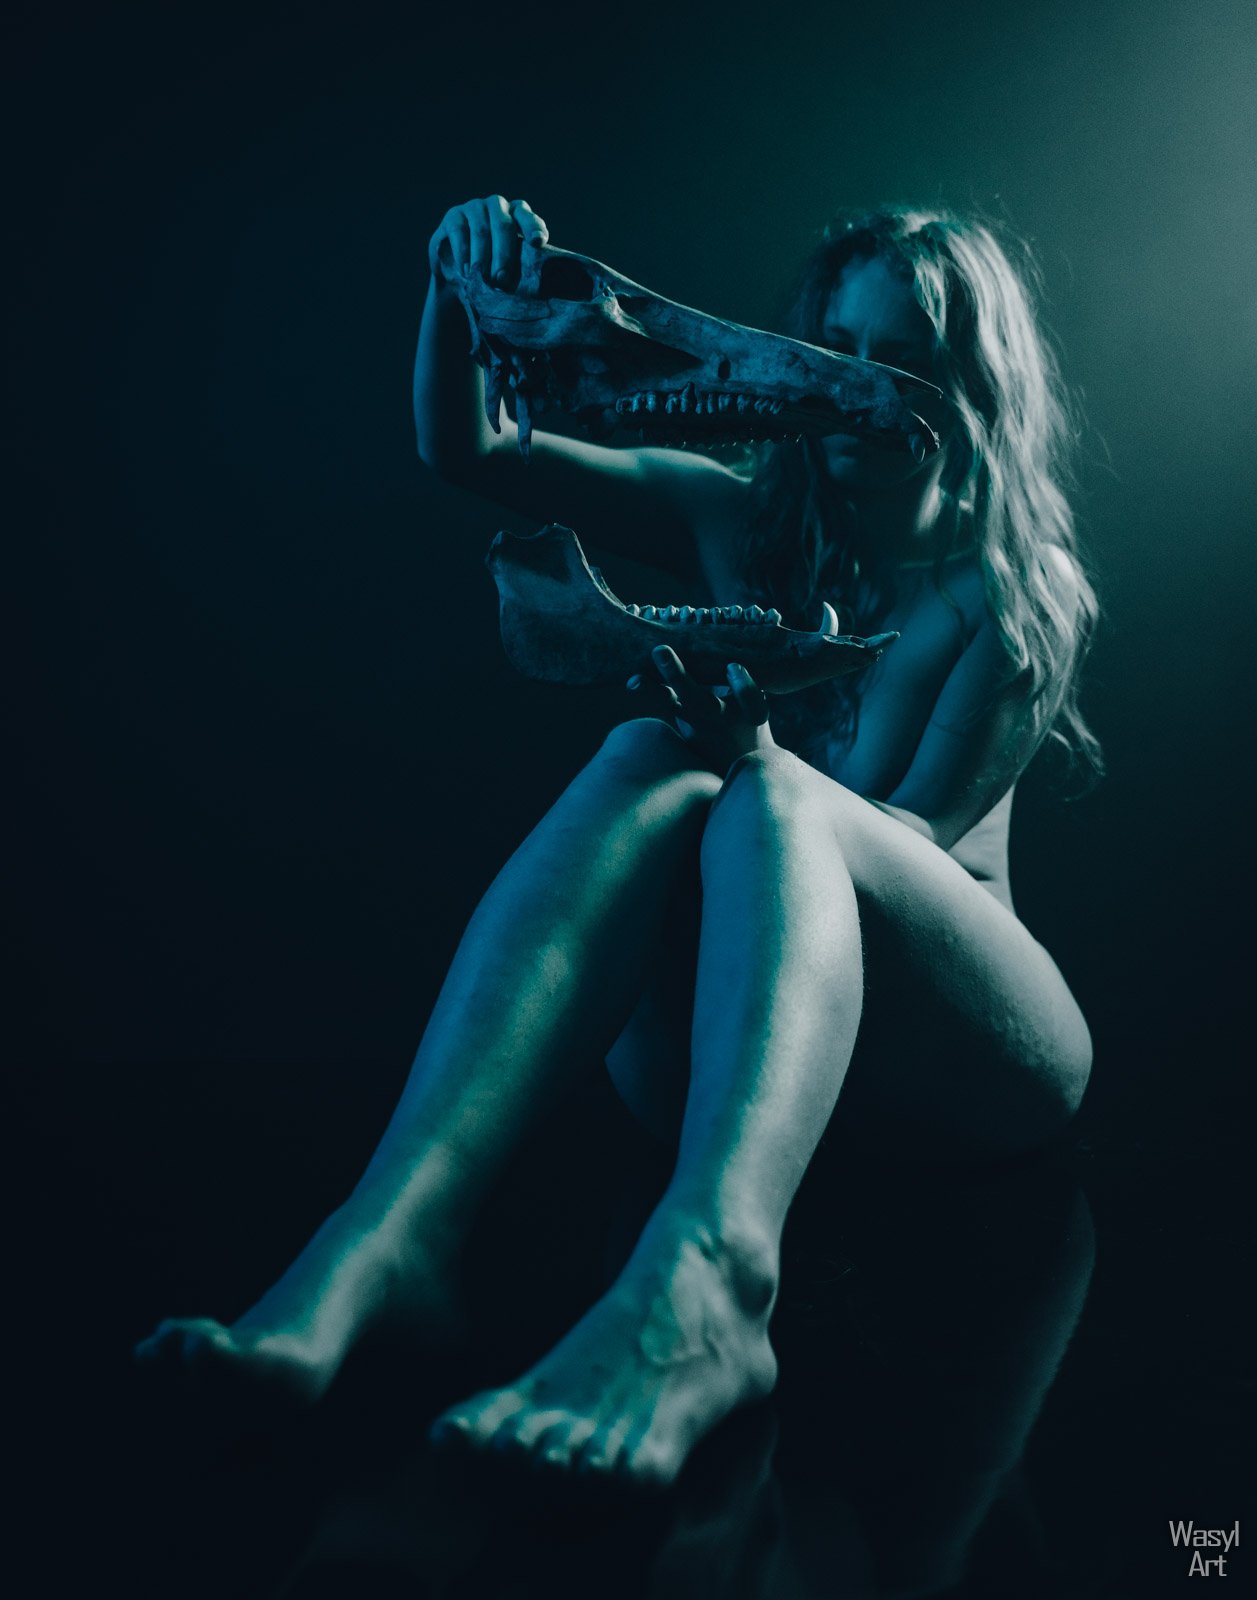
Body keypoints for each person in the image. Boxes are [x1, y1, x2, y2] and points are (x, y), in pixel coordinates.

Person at [136, 194, 1099, 1489]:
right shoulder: (741, 519)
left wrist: (755, 750)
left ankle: (716, 1278)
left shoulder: (1009, 586)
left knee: (769, 794)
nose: (863, 387)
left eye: (909, 361)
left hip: (960, 1058)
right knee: (648, 751)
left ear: (975, 388)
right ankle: (389, 1236)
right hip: (741, 1052)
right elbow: (473, 448)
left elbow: (912, 832)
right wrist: (458, 284)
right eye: (839, 349)